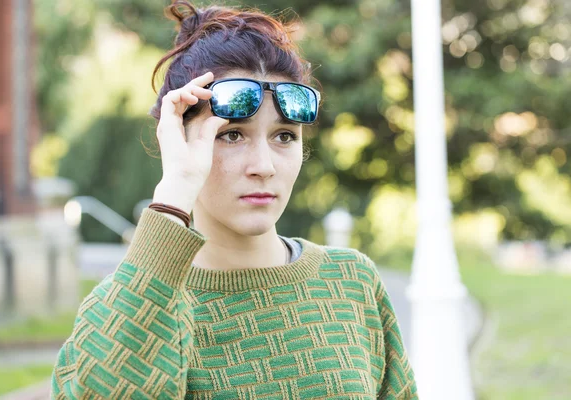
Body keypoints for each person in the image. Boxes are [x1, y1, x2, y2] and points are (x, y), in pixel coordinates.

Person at [50, 1, 417, 398]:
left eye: (284, 136)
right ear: (178, 139)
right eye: (231, 134)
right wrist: (175, 190)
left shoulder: (351, 282)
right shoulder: (129, 302)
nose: (264, 166)